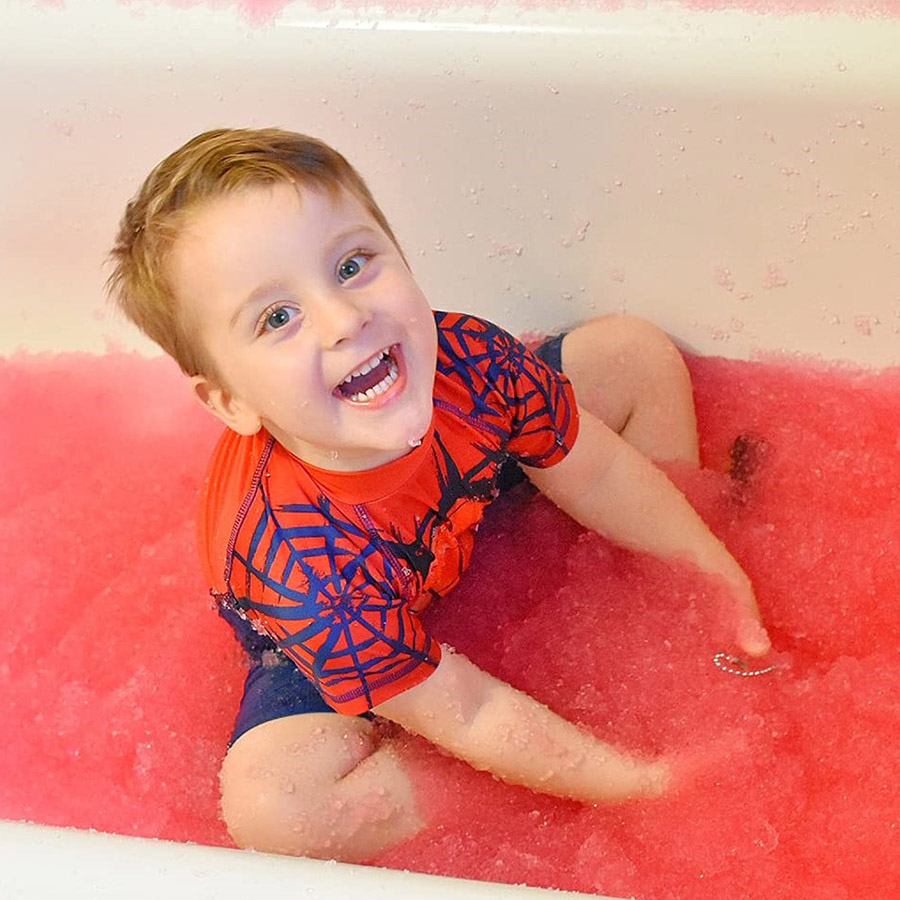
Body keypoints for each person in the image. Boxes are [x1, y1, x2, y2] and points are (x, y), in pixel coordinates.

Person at [107, 127, 771, 863]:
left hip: (459, 503)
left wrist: (712, 575)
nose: (345, 319)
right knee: (279, 812)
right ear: (231, 401)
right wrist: (642, 784)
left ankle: (672, 542)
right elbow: (471, 709)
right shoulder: (300, 566)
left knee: (632, 354)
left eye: (352, 265)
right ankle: (498, 784)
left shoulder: (469, 363)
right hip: (323, 629)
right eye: (277, 318)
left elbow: (599, 471)